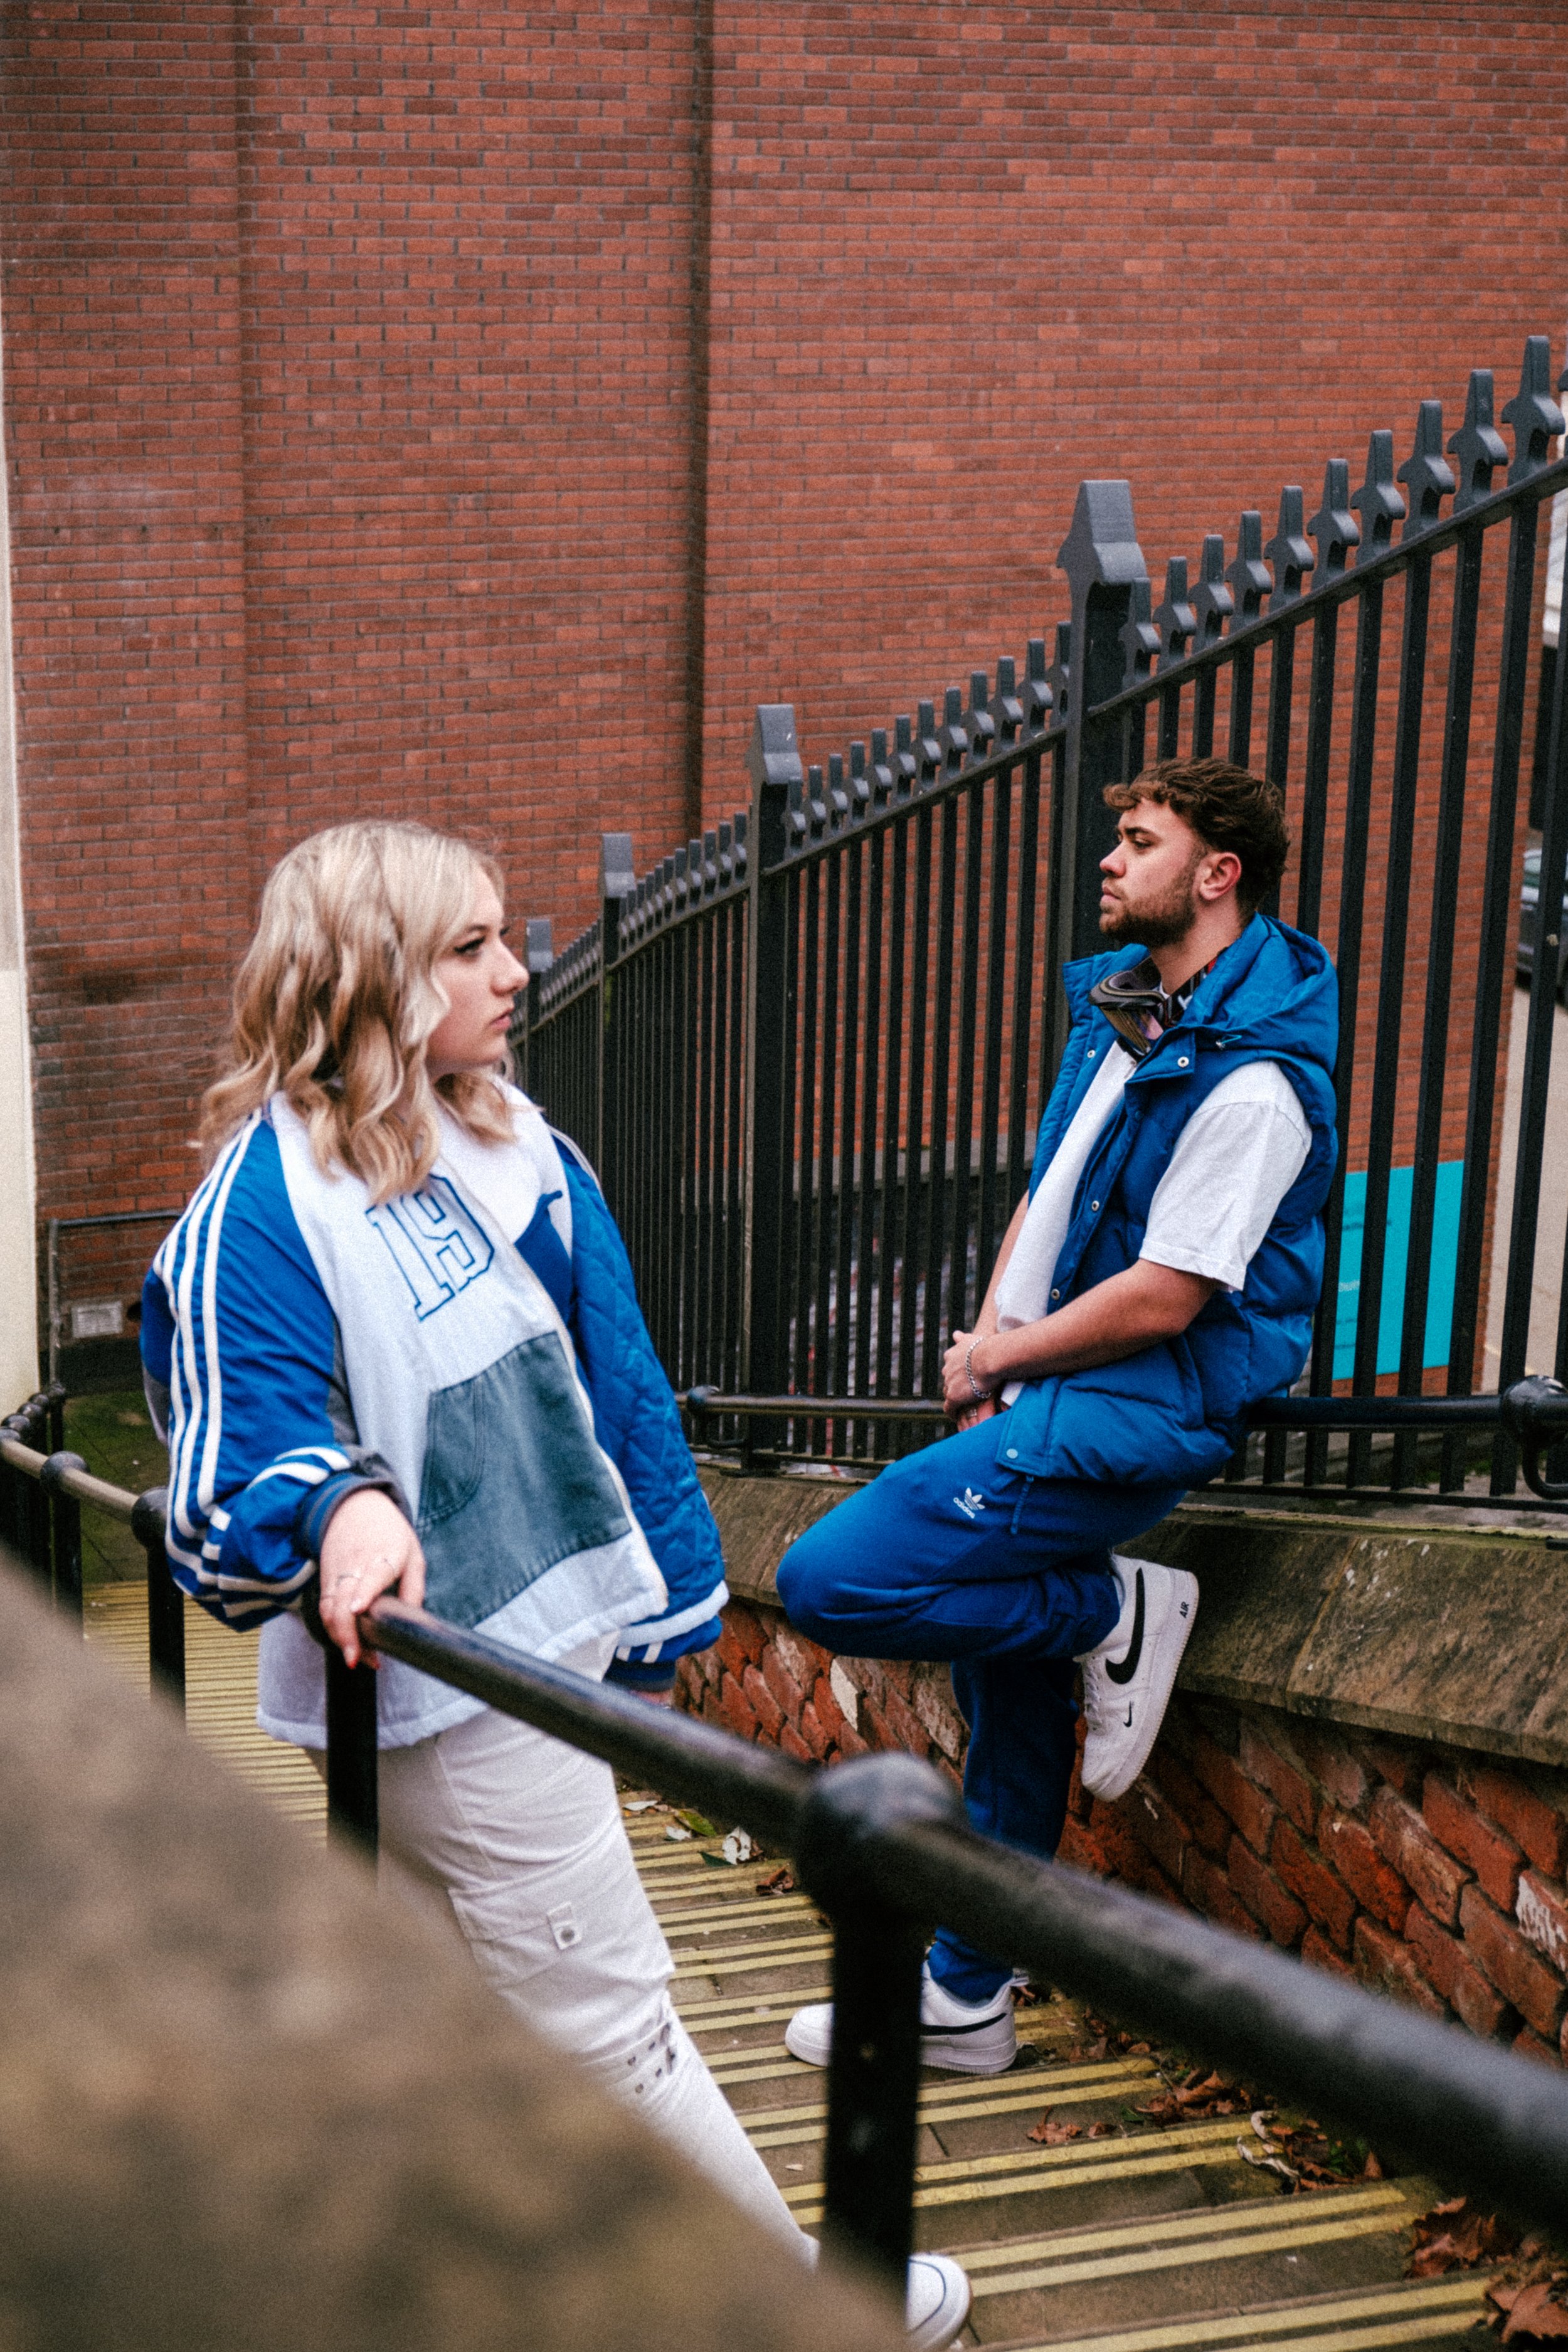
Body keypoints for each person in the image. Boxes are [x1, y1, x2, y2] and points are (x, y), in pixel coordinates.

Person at [139, 819, 970, 2349]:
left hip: (535, 1662)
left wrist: (667, 1607)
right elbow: (231, 1464)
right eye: (468, 947)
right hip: (439, 1686)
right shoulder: (262, 1204)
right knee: (612, 2022)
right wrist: (337, 1506)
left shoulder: (518, 1139)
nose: (513, 971)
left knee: (476, 2004)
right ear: (370, 974)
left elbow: (617, 1384)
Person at [778, 757, 1338, 2077]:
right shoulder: (1130, 1012)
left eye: (1139, 841)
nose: (1109, 859)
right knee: (1009, 1695)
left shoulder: (1254, 1080)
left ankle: (1109, 1609)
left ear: (1218, 874)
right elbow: (1049, 1191)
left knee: (827, 1580)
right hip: (1040, 1392)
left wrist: (1007, 1355)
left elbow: (1167, 1294)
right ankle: (966, 1995)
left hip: (1130, 1410)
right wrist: (987, 1353)